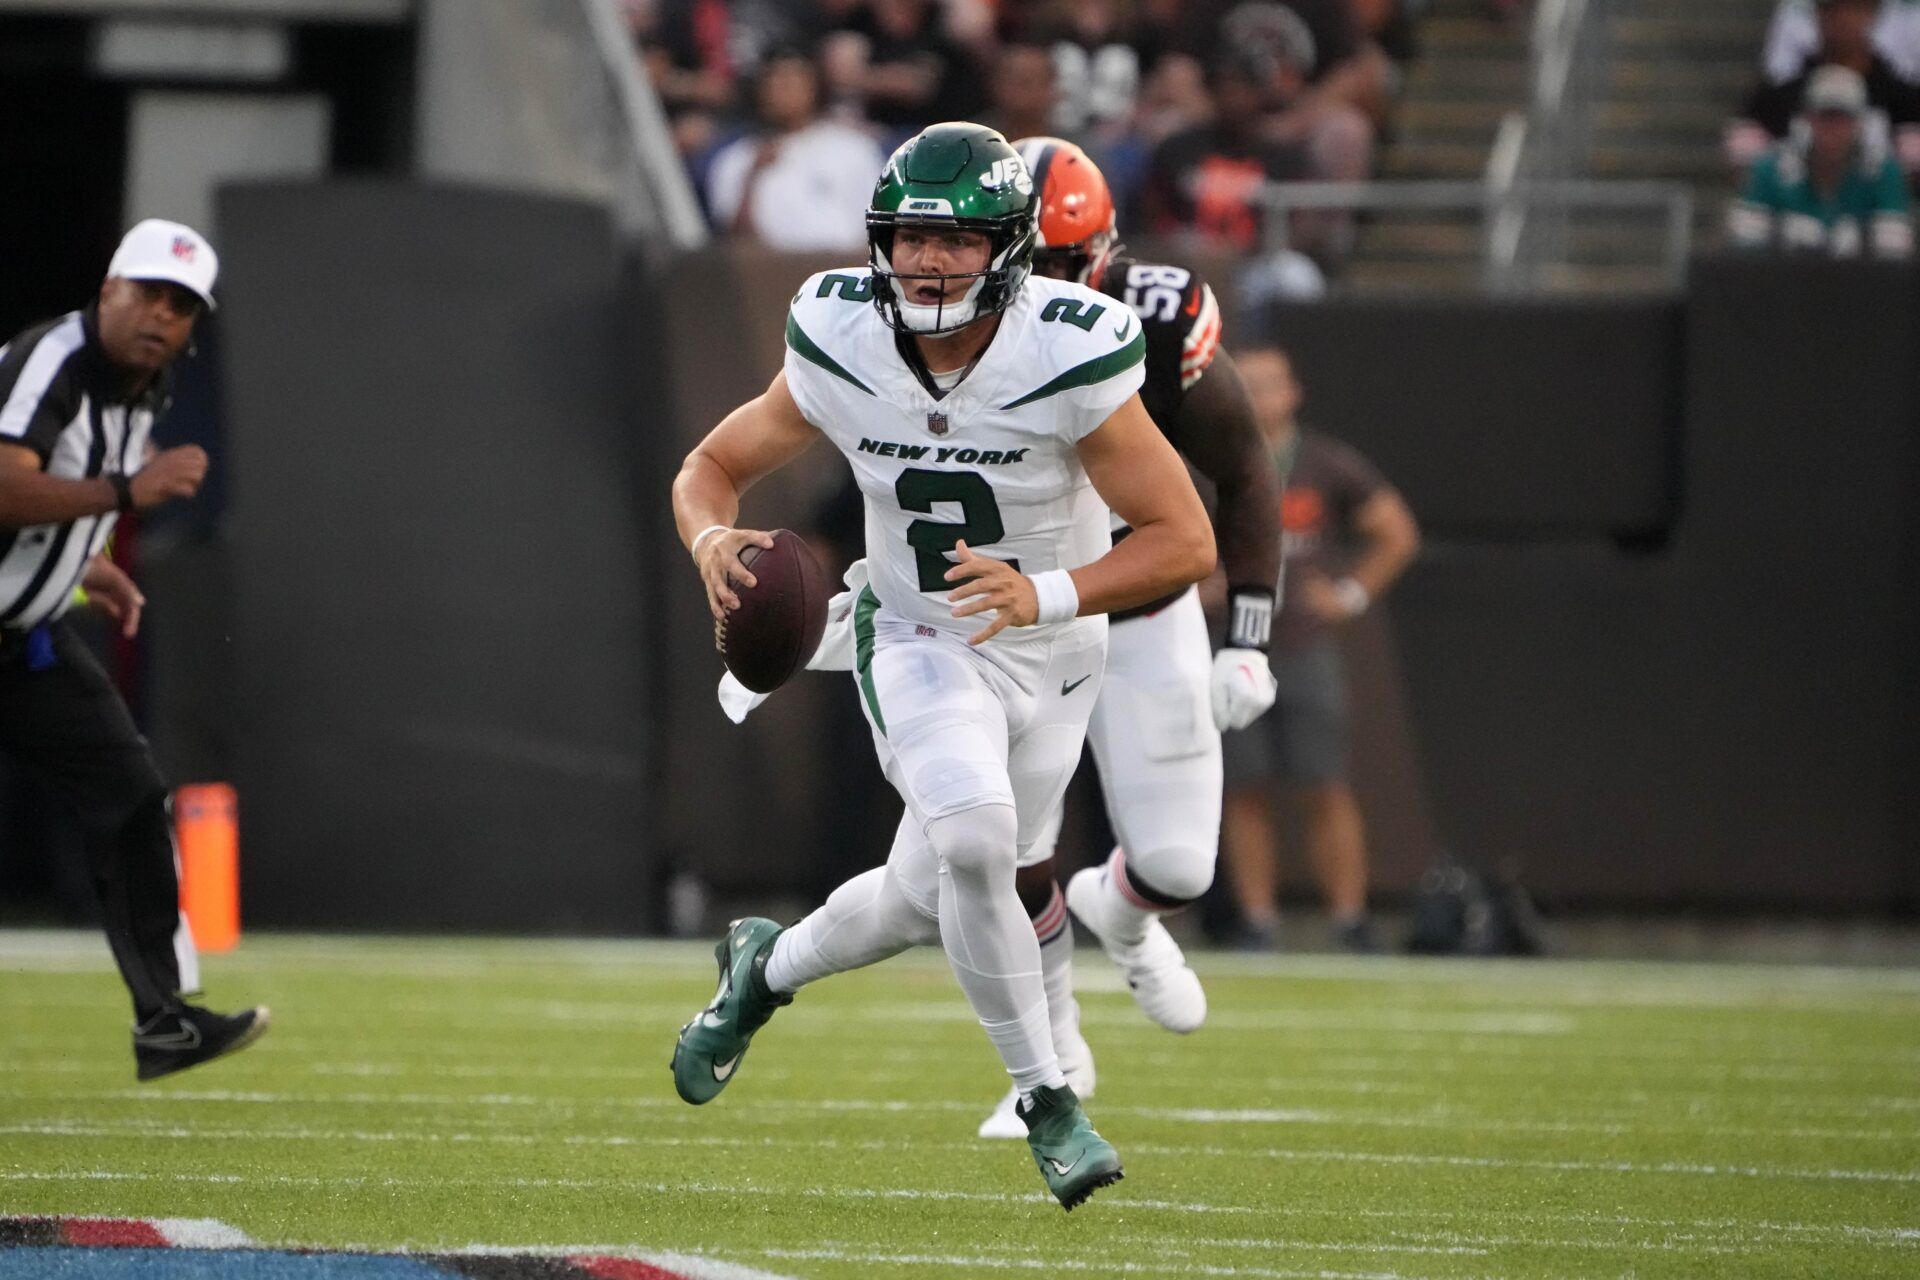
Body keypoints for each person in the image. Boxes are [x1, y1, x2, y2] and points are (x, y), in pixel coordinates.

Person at [668, 122, 1215, 1211]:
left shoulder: (1071, 345)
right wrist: (709, 539)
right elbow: (713, 464)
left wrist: (1047, 592)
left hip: (1055, 649)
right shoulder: (842, 332)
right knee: (975, 840)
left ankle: (760, 971)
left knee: (925, 895)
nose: (926, 261)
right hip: (918, 636)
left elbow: (1184, 538)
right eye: (910, 237)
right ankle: (1049, 1099)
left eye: (957, 241)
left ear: (1009, 248)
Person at [974, 137, 1285, 1139]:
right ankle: (1055, 1056)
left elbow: (1243, 468)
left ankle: (1122, 910)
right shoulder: (941, 327)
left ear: (1102, 253)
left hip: (1138, 606)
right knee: (1002, 848)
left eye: (1068, 265)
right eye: (1031, 263)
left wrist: (1249, 634)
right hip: (1017, 619)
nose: (1047, 288)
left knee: (1181, 866)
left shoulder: (1156, 318)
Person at [0, 218, 269, 1079]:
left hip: (23, 638)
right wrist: (127, 492)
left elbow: (52, 504)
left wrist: (84, 571)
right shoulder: (54, 361)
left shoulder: (141, 386)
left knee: (130, 793)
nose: (161, 316)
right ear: (108, 288)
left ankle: (164, 1019)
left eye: (181, 306)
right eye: (149, 293)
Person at [1217, 344, 1419, 953]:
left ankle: (1349, 918)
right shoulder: (1204, 458)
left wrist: (1351, 594)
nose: (1257, 398)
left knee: (1323, 783)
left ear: (1293, 392)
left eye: (1267, 385)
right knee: (1242, 787)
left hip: (1301, 642)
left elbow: (1396, 532)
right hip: (1225, 643)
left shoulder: (1325, 463)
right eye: (1244, 385)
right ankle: (1257, 920)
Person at [705, 46, 886, 251]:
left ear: (815, 86)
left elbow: (881, 229)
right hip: (771, 275)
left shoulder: (855, 149)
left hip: (844, 272)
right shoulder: (736, 159)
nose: (784, 90)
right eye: (776, 82)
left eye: (794, 80)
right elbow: (734, 244)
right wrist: (752, 177)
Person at [1727, 64, 1915, 258]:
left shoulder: (1884, 172)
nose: (1833, 128)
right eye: (1825, 116)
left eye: (1843, 118)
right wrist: (1785, 234)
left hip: (1860, 283)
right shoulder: (1769, 169)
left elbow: (1893, 254)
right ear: (1807, 118)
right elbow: (1746, 246)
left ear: (1859, 122)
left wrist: (1857, 239)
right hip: (1786, 281)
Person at [1730, 0, 1920, 171]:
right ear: (1816, 13)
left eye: (1853, 9)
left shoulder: (1905, 100)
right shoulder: (1776, 98)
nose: (1842, 18)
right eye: (1830, 9)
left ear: (1872, 13)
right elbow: (1740, 161)